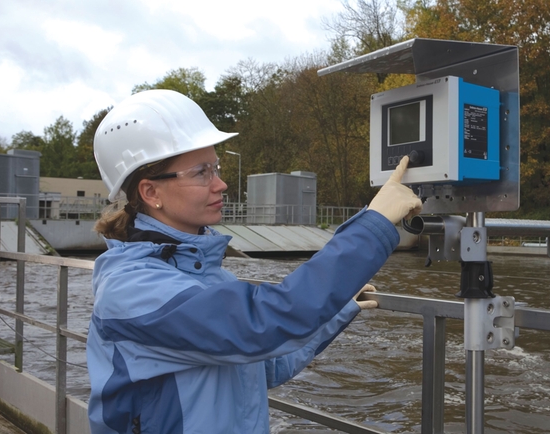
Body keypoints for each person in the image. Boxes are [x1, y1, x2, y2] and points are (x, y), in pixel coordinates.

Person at [86, 89, 422, 433]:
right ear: (151, 192)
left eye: (215, 168)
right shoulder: (131, 289)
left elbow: (266, 362)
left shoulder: (210, 278)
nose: (221, 183)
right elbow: (261, 324)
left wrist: (337, 308)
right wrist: (374, 224)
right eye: (202, 172)